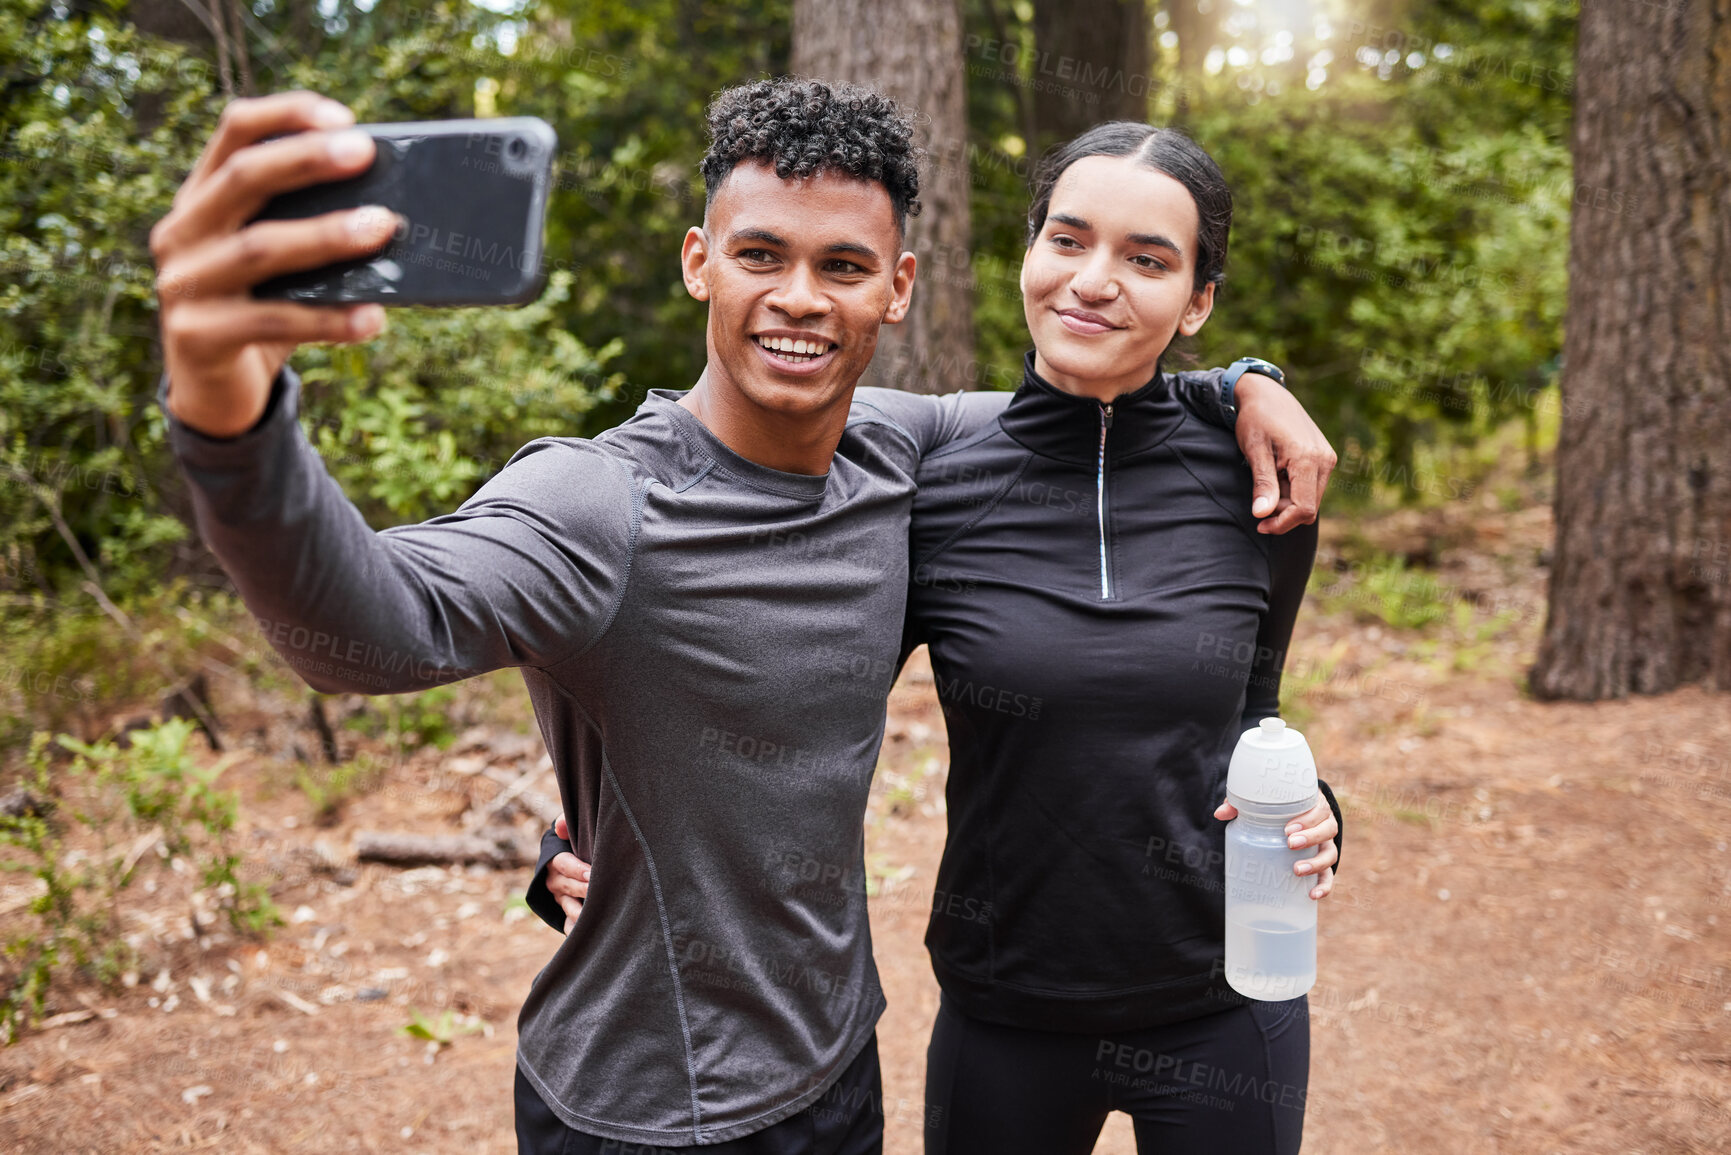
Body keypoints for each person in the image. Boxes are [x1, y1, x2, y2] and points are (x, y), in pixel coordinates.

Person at [150, 79, 1328, 1154]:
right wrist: (228, 412)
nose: (800, 301)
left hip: (834, 1068)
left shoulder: (902, 450)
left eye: (845, 267)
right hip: (644, 1106)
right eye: (761, 254)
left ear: (899, 287)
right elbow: (365, 629)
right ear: (699, 261)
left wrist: (1243, 384)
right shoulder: (594, 500)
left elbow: (1091, 389)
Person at [534, 122, 1342, 1154]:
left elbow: (1252, 715)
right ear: (1030, 255)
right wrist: (585, 807)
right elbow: (765, 662)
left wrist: (1317, 812)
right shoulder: (932, 482)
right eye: (1068, 239)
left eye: (1147, 259)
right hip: (1007, 1011)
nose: (1094, 282)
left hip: (1230, 998)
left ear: (1197, 302)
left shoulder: (1261, 477)